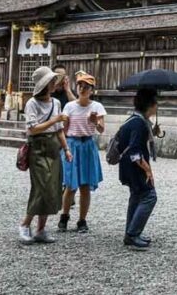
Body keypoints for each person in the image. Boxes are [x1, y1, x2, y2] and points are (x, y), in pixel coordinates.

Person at [18, 66, 71, 245]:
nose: (54, 83)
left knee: (53, 188)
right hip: (38, 148)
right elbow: (32, 129)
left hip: (53, 148)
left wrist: (66, 149)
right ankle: (25, 225)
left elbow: (59, 130)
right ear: (44, 84)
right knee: (42, 188)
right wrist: (54, 120)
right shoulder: (32, 103)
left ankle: (41, 229)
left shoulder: (56, 103)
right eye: (51, 81)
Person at [57, 73, 106, 233]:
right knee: (70, 185)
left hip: (88, 145)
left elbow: (101, 129)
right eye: (80, 86)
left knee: (85, 186)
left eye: (86, 87)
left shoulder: (97, 107)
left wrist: (95, 122)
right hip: (72, 144)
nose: (83, 89)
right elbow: (64, 129)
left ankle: (82, 220)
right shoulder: (70, 106)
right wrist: (64, 148)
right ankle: (64, 216)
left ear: (92, 90)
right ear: (77, 87)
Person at [118, 88, 159, 250]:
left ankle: (130, 233)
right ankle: (133, 233)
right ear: (151, 105)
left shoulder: (135, 120)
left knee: (136, 196)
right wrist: (147, 170)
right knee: (149, 196)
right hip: (134, 166)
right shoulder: (139, 123)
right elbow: (135, 151)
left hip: (126, 165)